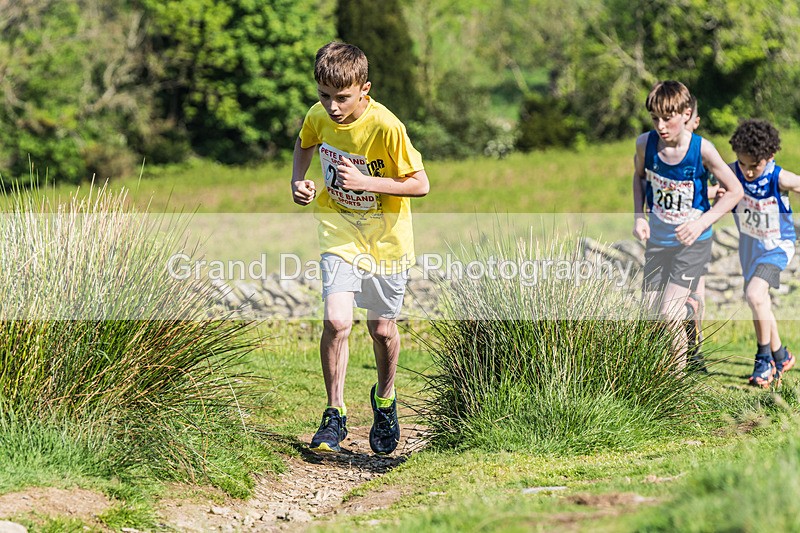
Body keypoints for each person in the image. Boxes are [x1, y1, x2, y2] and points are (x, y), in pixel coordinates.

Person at [291, 42, 429, 454]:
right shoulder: (319, 117)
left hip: (387, 239)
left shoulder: (387, 126)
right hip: (339, 230)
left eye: (342, 98)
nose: (332, 107)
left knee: (382, 329)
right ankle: (334, 414)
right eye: (324, 96)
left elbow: (420, 184)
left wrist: (366, 183)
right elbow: (304, 144)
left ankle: (385, 401)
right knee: (337, 321)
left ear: (364, 89)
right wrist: (298, 182)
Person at [632, 81, 743, 367]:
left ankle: (676, 389)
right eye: (654, 118)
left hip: (693, 241)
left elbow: (735, 191)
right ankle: (688, 318)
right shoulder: (645, 144)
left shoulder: (702, 149)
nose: (661, 125)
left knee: (669, 312)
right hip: (658, 239)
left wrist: (701, 222)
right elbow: (640, 178)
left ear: (686, 113)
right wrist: (639, 216)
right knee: (651, 314)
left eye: (667, 118)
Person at [727, 119, 798, 388]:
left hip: (778, 248)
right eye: (742, 163)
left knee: (755, 294)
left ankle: (763, 358)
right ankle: (782, 356)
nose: (746, 171)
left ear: (769, 157)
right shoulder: (732, 173)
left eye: (753, 165)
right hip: (749, 250)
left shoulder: (778, 177)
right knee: (759, 302)